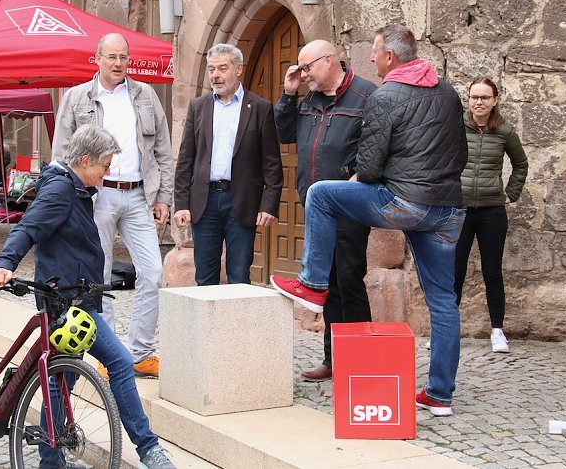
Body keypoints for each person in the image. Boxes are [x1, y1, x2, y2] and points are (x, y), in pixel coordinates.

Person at [270, 24, 467, 417]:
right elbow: (459, 152)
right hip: (446, 208)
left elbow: (371, 164)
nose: (372, 60)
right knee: (444, 303)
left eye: (375, 53)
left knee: (322, 193)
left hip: (404, 202)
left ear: (391, 57)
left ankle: (311, 284)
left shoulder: (383, 94)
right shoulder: (447, 92)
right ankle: (440, 395)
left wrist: (373, 182)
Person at [0, 124, 175, 469]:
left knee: (67, 378)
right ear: (84, 160)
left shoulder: (77, 186)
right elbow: (29, 227)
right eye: (105, 164)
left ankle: (55, 460)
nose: (108, 170)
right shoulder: (60, 189)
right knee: (106, 365)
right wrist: (4, 264)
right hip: (64, 304)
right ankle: (147, 451)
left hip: (77, 297)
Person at [52, 32, 174, 378]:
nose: (119, 64)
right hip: (97, 196)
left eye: (124, 57)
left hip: (138, 195)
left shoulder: (146, 95)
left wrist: (163, 196)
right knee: (98, 277)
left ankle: (140, 351)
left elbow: (163, 150)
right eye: (112, 57)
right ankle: (109, 355)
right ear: (98, 58)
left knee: (153, 273)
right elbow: (61, 153)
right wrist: (69, 201)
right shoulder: (77, 98)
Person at [274, 39, 375, 381]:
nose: (303, 75)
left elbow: (377, 144)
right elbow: (283, 133)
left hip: (349, 201)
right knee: (326, 284)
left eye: (307, 68)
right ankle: (333, 361)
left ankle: (362, 362)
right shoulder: (309, 99)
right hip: (317, 206)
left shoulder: (365, 95)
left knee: (349, 279)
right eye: (300, 69)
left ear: (329, 60)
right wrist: (288, 95)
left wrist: (357, 175)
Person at [174, 43, 283, 285]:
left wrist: (269, 205)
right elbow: (185, 159)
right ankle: (206, 325)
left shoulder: (260, 108)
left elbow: (272, 164)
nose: (215, 75)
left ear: (238, 69)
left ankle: (238, 324)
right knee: (204, 277)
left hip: (242, 202)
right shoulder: (198, 107)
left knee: (239, 276)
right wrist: (181, 203)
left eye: (222, 68)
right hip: (204, 202)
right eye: (211, 69)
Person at [454, 77, 528, 354]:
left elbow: (521, 164)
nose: (479, 102)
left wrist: (512, 192)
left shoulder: (505, 131)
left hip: (492, 211)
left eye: (485, 97)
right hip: (459, 209)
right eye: (474, 97)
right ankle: (449, 331)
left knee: (492, 272)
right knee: (455, 272)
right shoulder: (456, 127)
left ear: (495, 100)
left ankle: (497, 330)